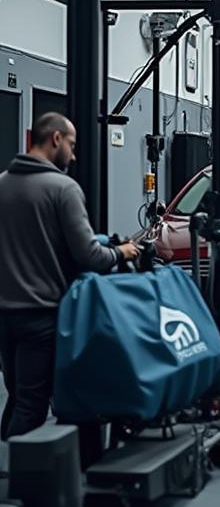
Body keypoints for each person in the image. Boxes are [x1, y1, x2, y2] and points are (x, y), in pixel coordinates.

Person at [0, 113, 139, 443]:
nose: (74, 156)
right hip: (42, 315)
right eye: (73, 146)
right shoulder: (63, 189)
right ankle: (23, 481)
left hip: (4, 315)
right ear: (56, 139)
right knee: (33, 405)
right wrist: (123, 252)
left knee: (18, 397)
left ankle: (8, 469)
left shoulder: (2, 183)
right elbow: (90, 257)